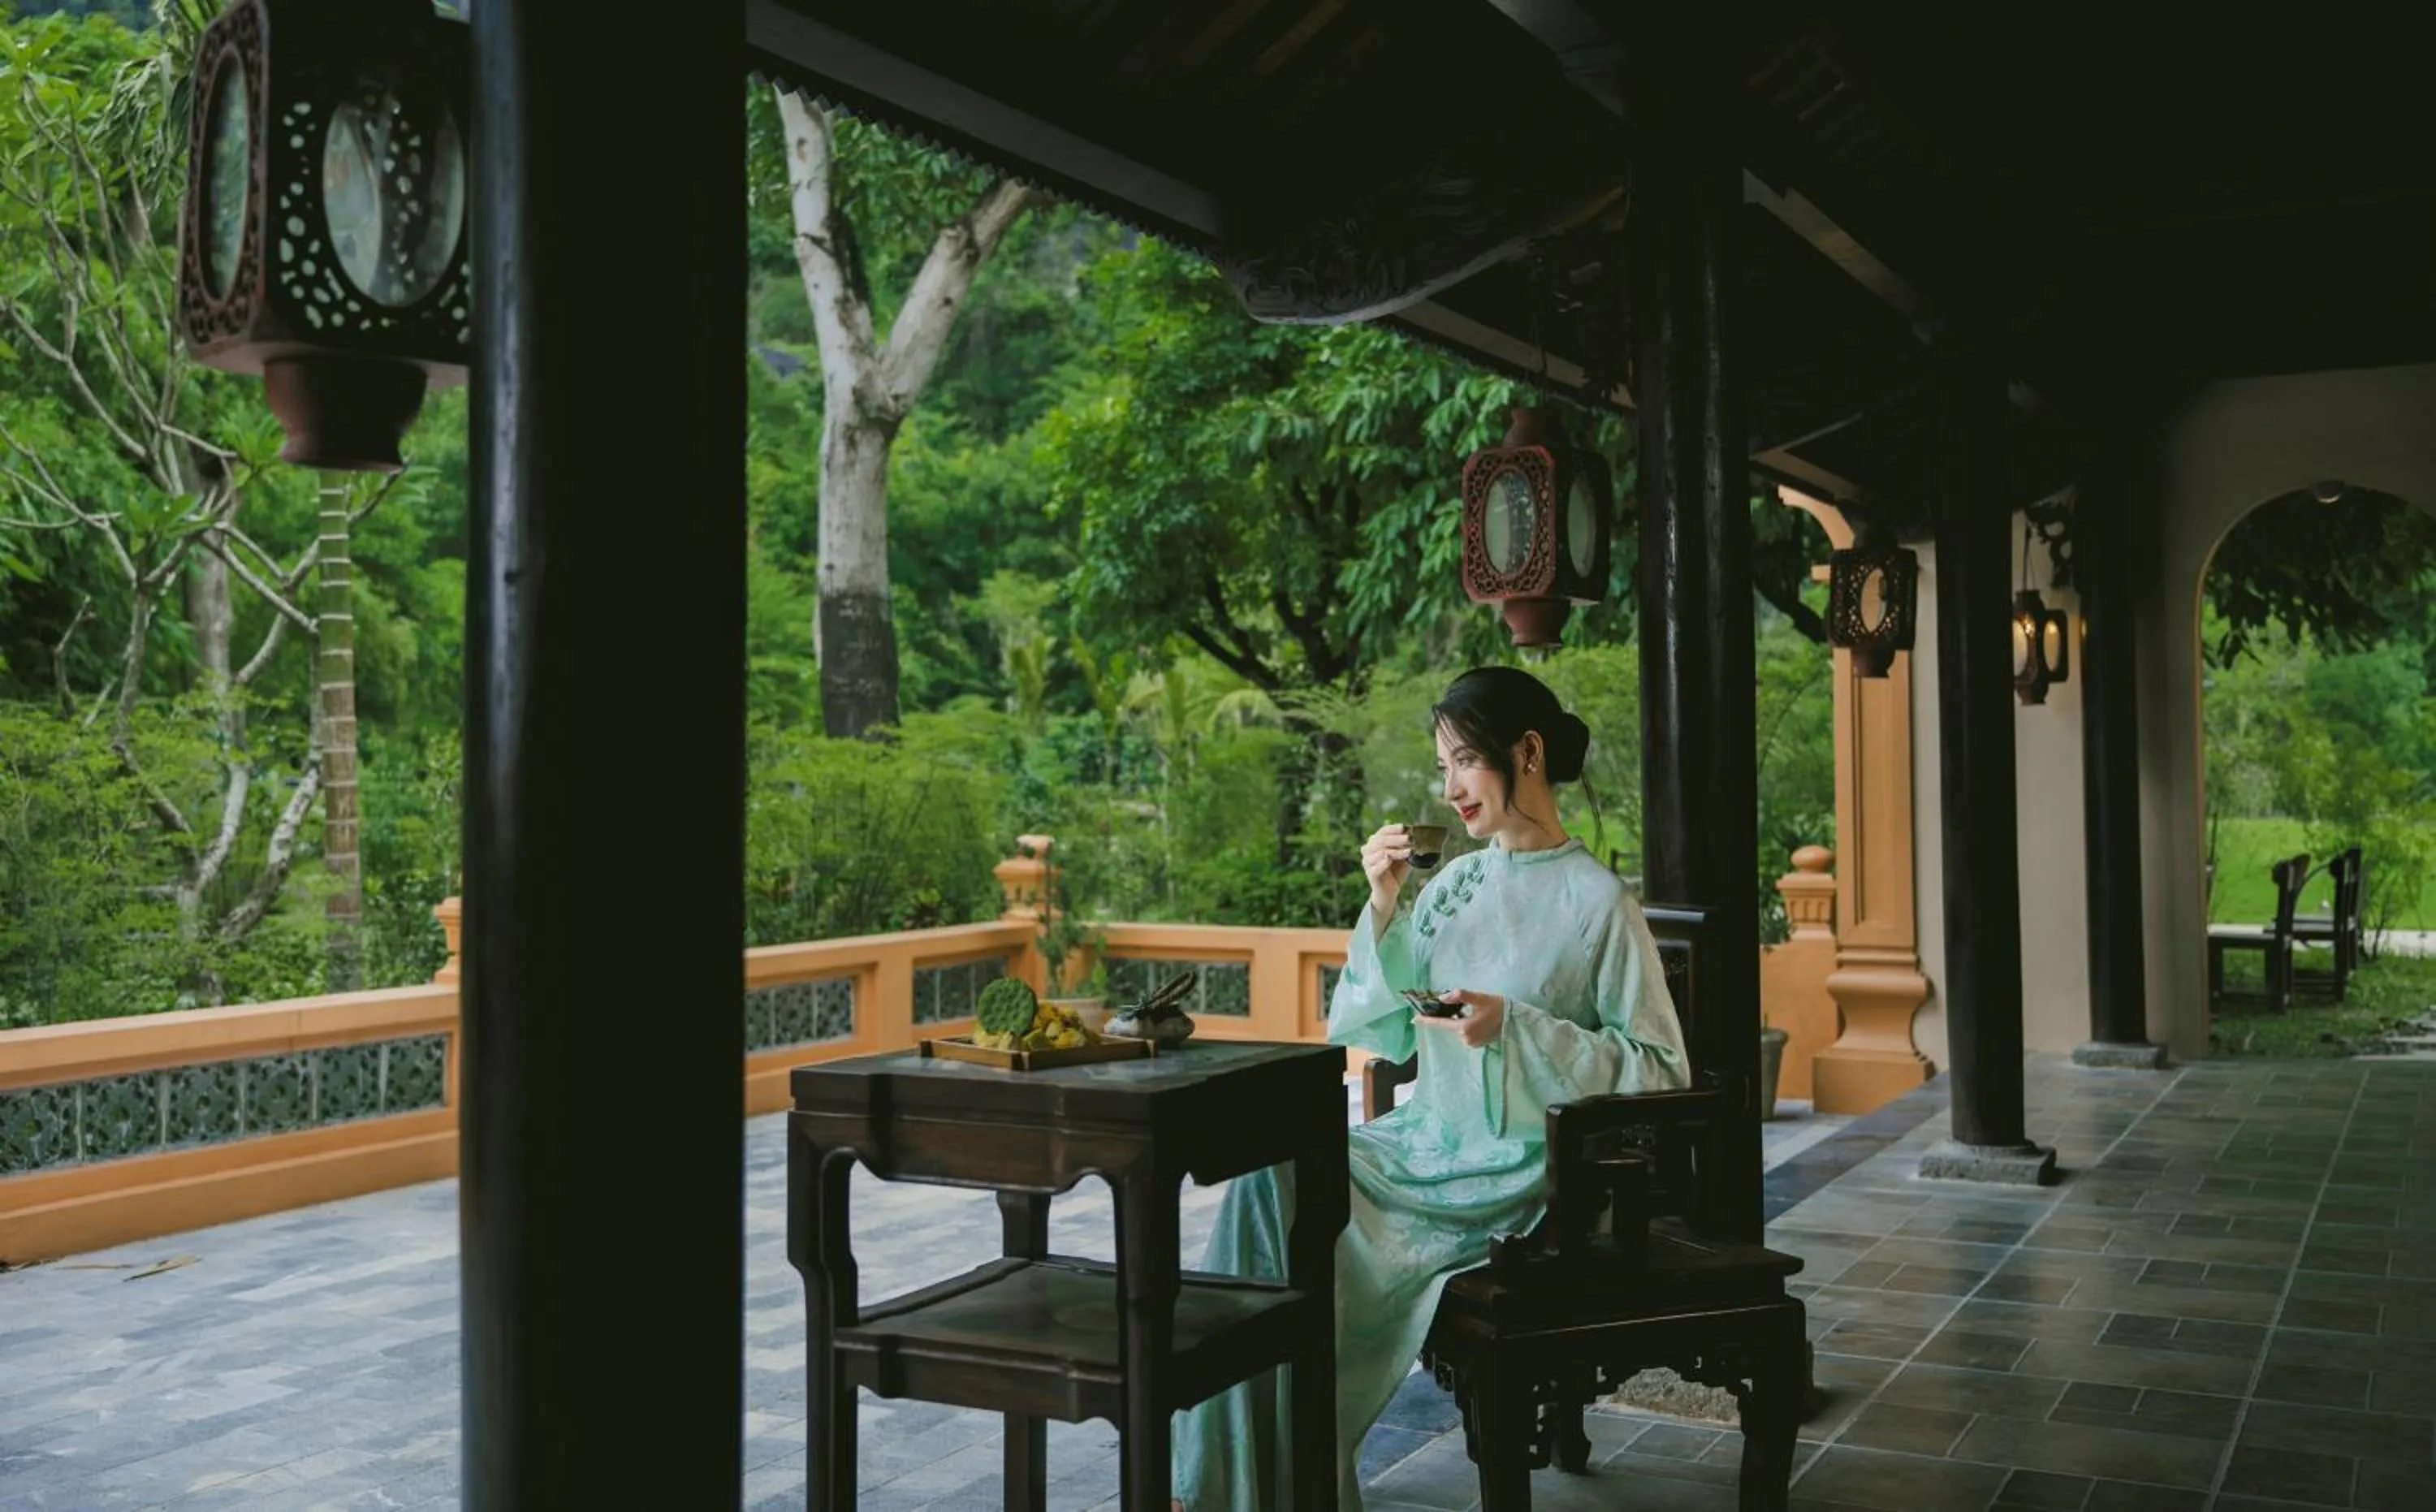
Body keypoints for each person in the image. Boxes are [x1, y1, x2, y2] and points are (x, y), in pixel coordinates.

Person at [1169, 664, 1691, 1510]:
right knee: (1270, 1176)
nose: (1448, 789)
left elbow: (1662, 1068)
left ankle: (1271, 1481)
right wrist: (1382, 906)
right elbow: (1375, 1025)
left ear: (1526, 752)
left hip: (1514, 1169)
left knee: (1295, 1200)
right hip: (1422, 1143)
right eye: (1440, 767)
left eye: (1463, 763)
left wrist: (1514, 1026)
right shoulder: (1456, 883)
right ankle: (1237, 1478)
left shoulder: (1600, 901)